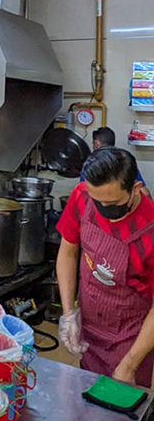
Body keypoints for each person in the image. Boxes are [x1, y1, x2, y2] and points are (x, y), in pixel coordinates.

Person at [57, 146, 154, 387]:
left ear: (135, 188)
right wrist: (69, 314)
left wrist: (130, 363)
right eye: (96, 201)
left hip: (130, 336)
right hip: (89, 323)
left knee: (122, 411)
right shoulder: (81, 196)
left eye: (111, 203)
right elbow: (68, 251)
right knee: (88, 397)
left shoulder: (150, 231)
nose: (103, 210)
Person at [81, 127, 149, 196]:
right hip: (124, 205)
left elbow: (83, 193)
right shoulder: (125, 159)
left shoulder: (91, 163)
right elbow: (145, 192)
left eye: (93, 143)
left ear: (97, 143)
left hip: (95, 204)